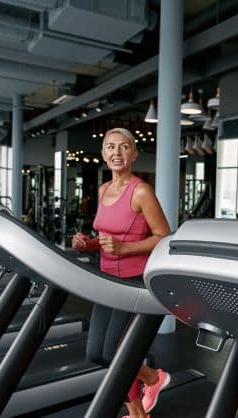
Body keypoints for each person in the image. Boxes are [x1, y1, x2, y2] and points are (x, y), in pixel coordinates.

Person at [72, 128, 171, 418]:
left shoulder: (141, 191)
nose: (117, 152)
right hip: (106, 280)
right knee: (96, 353)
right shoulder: (103, 190)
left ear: (134, 154)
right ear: (103, 154)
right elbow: (104, 240)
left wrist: (124, 249)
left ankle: (137, 412)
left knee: (117, 351)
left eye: (124, 147)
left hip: (134, 282)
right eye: (111, 147)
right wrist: (85, 243)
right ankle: (152, 378)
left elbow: (163, 237)